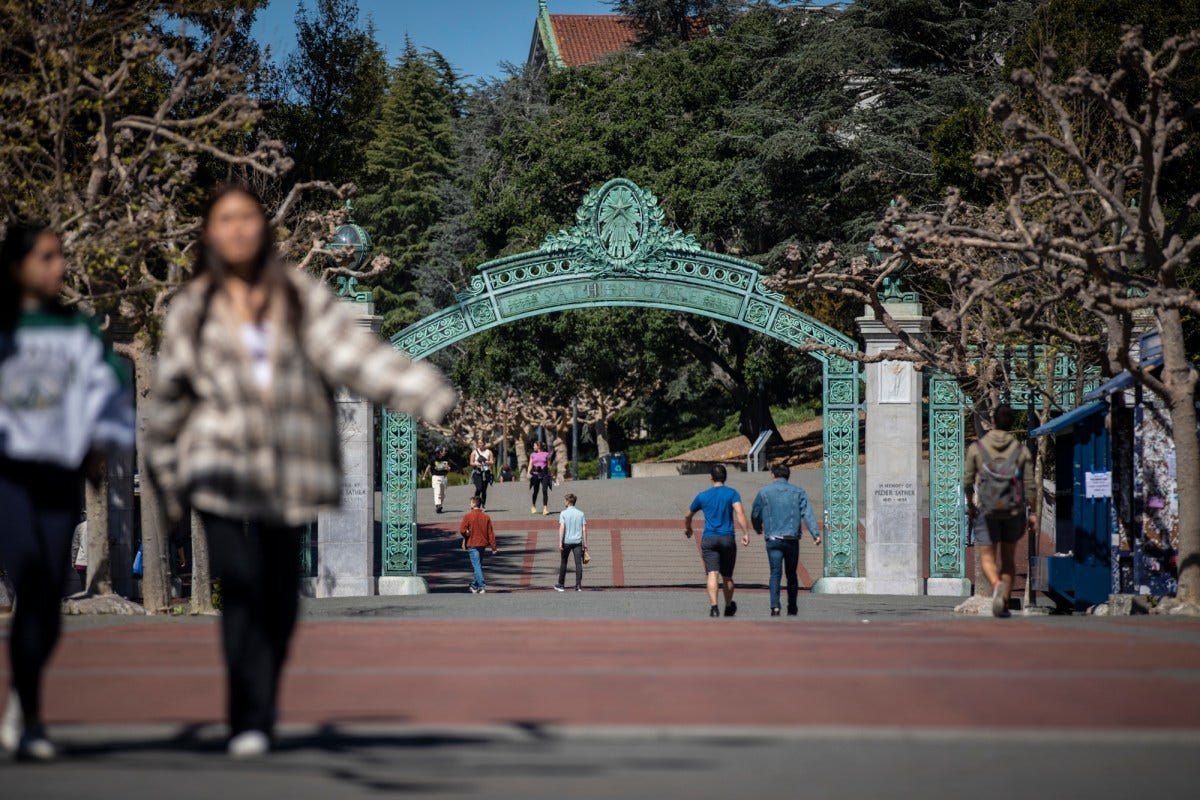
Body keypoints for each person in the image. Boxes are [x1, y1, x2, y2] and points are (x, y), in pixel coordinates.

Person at [144, 184, 455, 758]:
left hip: (288, 472)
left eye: (246, 220)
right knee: (239, 586)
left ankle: (262, 697)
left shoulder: (298, 297)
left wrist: (425, 392)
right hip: (220, 466)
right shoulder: (194, 307)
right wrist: (164, 468)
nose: (236, 230)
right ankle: (247, 713)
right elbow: (169, 395)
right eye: (224, 220)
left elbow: (354, 353)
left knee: (281, 598)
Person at [0, 223, 134, 762]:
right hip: (8, 476)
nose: (58, 267)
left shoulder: (77, 330)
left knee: (46, 599)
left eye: (60, 257)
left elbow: (112, 388)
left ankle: (23, 706)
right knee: (29, 573)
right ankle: (29, 712)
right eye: (46, 257)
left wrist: (105, 441)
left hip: (60, 475)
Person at [964, 404, 1036, 618]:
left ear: (993, 421)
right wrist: (1032, 511)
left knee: (987, 556)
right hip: (1013, 510)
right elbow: (1030, 484)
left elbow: (967, 480)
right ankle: (1003, 601)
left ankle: (996, 585)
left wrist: (970, 504)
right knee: (1008, 559)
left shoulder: (978, 448)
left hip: (987, 510)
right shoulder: (1021, 450)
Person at [751, 463, 822, 616]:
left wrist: (757, 527)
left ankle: (775, 606)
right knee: (791, 574)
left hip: (773, 539)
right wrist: (815, 534)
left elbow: (755, 513)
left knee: (775, 573)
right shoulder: (798, 492)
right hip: (791, 539)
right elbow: (807, 514)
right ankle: (792, 606)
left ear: (773, 475)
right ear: (788, 476)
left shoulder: (764, 492)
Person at [683, 464, 752, 618]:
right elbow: (740, 512)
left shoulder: (703, 496)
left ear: (711, 477)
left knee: (712, 574)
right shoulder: (732, 493)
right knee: (727, 576)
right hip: (727, 538)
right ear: (725, 477)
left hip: (709, 538)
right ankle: (728, 606)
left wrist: (688, 528)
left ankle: (714, 607)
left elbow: (688, 515)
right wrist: (746, 532)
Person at [458, 495, 498, 593]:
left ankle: (482, 586)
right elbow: (490, 533)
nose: (469, 504)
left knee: (476, 566)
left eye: (471, 502)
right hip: (482, 544)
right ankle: (474, 585)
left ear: (474, 504)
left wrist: (466, 533)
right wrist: (494, 547)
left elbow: (462, 529)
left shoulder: (468, 516)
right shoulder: (486, 517)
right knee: (478, 565)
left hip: (472, 543)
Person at [554, 493, 587, 592]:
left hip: (566, 541)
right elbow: (584, 529)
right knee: (578, 564)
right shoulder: (581, 513)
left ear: (568, 502)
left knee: (564, 563)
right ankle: (578, 586)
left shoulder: (563, 513)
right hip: (578, 542)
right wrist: (585, 544)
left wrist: (560, 542)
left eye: (565, 500)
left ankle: (561, 585)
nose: (564, 502)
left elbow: (562, 528)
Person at [422, 445, 455, 514]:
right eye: (444, 451)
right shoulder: (433, 459)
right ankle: (437, 505)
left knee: (443, 494)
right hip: (436, 477)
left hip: (444, 477)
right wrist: (424, 476)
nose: (445, 452)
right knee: (437, 492)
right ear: (440, 452)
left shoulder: (446, 458)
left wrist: (448, 468)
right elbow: (428, 467)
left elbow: (448, 467)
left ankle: (440, 506)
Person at [528, 440, 553, 515]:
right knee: (536, 491)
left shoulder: (546, 454)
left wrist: (551, 474)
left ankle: (545, 508)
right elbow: (530, 464)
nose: (533, 447)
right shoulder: (532, 455)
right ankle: (533, 506)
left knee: (545, 490)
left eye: (534, 445)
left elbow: (549, 465)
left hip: (544, 474)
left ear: (538, 446)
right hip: (535, 474)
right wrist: (528, 473)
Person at [470, 439, 494, 510]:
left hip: (486, 472)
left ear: (484, 443)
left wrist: (486, 462)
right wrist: (476, 463)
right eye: (479, 443)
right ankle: (474, 504)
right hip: (477, 472)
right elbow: (471, 462)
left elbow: (492, 462)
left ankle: (483, 505)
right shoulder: (474, 452)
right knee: (478, 488)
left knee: (484, 490)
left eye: (481, 443)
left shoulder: (489, 452)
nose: (480, 444)